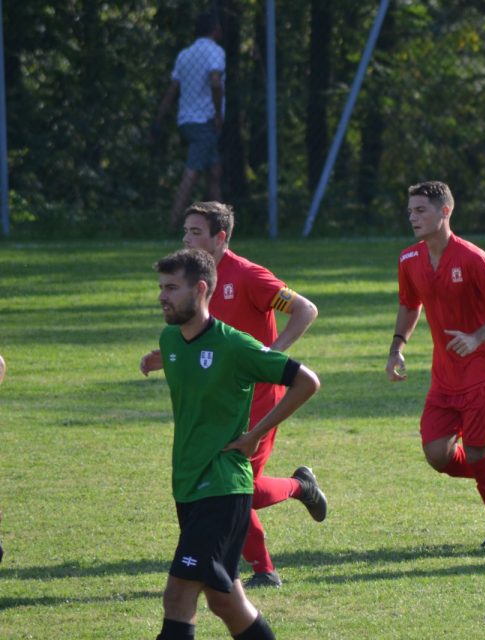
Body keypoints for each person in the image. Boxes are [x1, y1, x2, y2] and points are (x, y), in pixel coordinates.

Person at [142, 201, 323, 589]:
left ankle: (294, 498)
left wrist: (272, 355)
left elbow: (305, 310)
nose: (187, 238)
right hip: (221, 393)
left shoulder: (249, 276)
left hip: (258, 394)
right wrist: (165, 358)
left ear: (220, 238)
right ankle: (264, 563)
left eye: (196, 232)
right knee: (232, 482)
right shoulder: (192, 281)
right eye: (185, 231)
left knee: (242, 486)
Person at [386, 181, 485, 548]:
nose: (413, 217)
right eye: (411, 210)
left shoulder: (472, 258)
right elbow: (409, 304)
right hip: (444, 377)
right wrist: (397, 347)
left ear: (445, 211)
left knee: (478, 452)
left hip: (483, 373)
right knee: (437, 455)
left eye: (421, 211)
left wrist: (477, 337)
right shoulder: (409, 259)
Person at [154, 12, 226, 232]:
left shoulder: (184, 55)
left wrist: (159, 118)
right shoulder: (215, 51)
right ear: (215, 28)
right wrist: (218, 113)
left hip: (185, 120)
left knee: (214, 171)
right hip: (204, 120)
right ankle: (173, 223)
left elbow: (172, 89)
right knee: (192, 172)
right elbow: (215, 82)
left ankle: (221, 225)